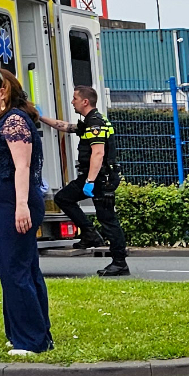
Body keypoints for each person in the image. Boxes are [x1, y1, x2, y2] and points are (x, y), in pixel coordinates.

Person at [0, 68, 52, 356]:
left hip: (14, 204)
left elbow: (22, 166)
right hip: (8, 203)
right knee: (21, 267)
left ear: (2, 90)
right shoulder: (9, 120)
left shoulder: (14, 122)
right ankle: (29, 333)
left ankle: (30, 340)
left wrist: (21, 206)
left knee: (15, 269)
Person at [39, 85, 127, 276]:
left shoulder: (95, 123)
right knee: (63, 198)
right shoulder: (90, 121)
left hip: (101, 178)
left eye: (75, 99)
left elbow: (98, 153)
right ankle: (89, 233)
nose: (72, 102)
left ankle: (119, 263)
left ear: (85, 101)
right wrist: (38, 117)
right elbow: (65, 126)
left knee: (108, 219)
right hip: (96, 177)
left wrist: (90, 181)